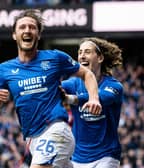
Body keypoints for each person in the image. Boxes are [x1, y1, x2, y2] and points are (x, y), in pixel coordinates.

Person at [0, 10, 102, 168]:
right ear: (14, 35)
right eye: (22, 27)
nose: (27, 30)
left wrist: (94, 98)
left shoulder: (55, 58)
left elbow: (87, 74)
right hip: (32, 138)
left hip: (55, 129)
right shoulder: (4, 69)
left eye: (32, 27)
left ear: (38, 35)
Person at [61, 37, 124, 168]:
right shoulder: (72, 83)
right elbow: (52, 88)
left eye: (87, 52)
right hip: (77, 157)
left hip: (106, 156)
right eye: (80, 52)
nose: (82, 56)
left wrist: (71, 99)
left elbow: (103, 97)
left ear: (100, 58)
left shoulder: (114, 85)